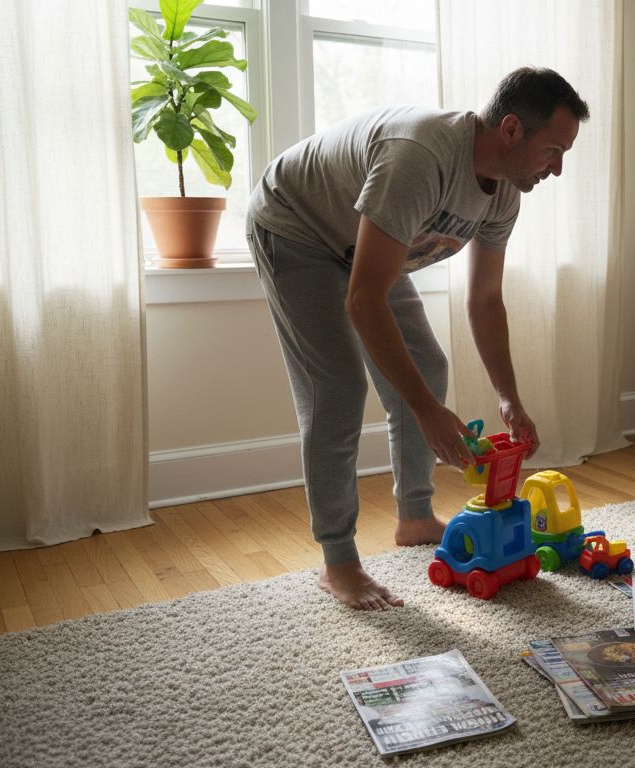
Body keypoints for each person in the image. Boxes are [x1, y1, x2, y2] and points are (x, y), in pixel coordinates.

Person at [245, 67, 589, 611]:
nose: (558, 168)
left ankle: (414, 516)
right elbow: (363, 300)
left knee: (426, 366)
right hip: (298, 229)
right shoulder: (421, 158)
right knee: (336, 390)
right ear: (511, 129)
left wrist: (508, 397)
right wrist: (429, 412)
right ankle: (338, 562)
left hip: (364, 246)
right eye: (553, 150)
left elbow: (484, 300)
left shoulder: (503, 196)